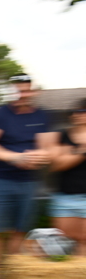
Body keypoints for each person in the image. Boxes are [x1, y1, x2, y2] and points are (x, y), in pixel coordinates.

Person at [0, 74, 55, 279]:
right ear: (12, 91)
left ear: (34, 92)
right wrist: (13, 157)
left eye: (27, 90)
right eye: (18, 90)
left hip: (28, 182)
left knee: (19, 231)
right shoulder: (0, 114)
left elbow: (49, 148)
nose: (23, 94)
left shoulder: (42, 116)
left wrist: (39, 156)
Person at [48, 99, 86, 256]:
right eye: (75, 112)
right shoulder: (63, 135)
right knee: (65, 244)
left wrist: (71, 153)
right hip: (65, 198)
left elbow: (64, 160)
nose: (78, 115)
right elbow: (56, 165)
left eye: (83, 112)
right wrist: (83, 150)